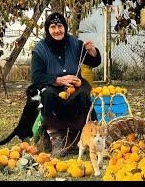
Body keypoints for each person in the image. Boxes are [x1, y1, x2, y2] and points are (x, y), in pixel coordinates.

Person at [31, 12, 101, 156]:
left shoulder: (75, 43)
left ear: (65, 27)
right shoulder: (40, 49)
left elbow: (93, 62)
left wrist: (92, 51)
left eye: (60, 26)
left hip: (75, 85)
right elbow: (36, 77)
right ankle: (56, 138)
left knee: (82, 93)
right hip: (52, 86)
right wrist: (58, 80)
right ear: (47, 30)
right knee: (49, 94)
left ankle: (79, 136)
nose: (57, 30)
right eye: (53, 27)